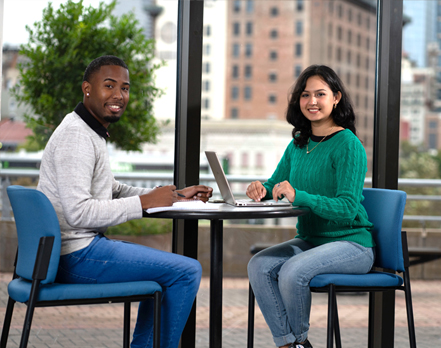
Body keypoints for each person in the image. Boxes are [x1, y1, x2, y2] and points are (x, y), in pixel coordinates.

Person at [37, 55, 213, 348]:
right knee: (186, 271)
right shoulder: (77, 136)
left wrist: (173, 196)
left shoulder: (87, 131)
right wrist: (144, 203)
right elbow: (79, 213)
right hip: (73, 256)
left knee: (169, 275)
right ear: (87, 89)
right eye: (109, 86)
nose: (119, 95)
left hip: (74, 251)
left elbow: (111, 188)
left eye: (125, 88)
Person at [246, 65, 375, 348]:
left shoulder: (348, 145)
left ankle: (298, 342)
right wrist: (262, 189)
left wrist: (300, 196)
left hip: (351, 244)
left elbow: (348, 208)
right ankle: (289, 345)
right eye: (305, 95)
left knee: (293, 271)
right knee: (259, 265)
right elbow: (275, 184)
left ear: (336, 97)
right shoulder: (298, 144)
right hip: (311, 241)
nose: (312, 102)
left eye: (320, 94)